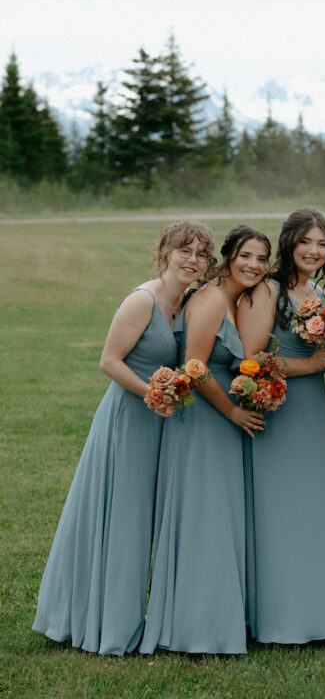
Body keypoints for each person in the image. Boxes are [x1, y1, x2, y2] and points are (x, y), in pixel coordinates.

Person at [33, 221, 214, 655]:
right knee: (121, 518)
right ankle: (108, 623)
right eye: (184, 251)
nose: (192, 260)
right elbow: (109, 361)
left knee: (142, 518)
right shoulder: (143, 300)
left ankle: (130, 613)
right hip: (128, 419)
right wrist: (153, 393)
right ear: (165, 253)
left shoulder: (187, 302)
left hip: (159, 420)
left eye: (202, 255)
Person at [141, 225, 268, 655]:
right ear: (229, 257)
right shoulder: (213, 298)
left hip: (218, 426)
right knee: (201, 519)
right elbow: (194, 366)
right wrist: (233, 410)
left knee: (218, 520)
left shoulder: (232, 298)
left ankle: (217, 620)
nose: (253, 265)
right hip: (201, 424)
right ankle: (193, 628)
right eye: (246, 256)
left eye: (262, 258)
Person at [236, 208, 325, 644]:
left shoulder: (316, 290)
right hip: (283, 408)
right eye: (306, 241)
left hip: (314, 407)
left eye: (322, 243)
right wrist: (309, 365)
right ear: (289, 242)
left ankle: (323, 615)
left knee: (317, 504)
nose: (314, 250)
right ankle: (281, 618)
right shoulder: (267, 290)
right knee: (283, 509)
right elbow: (248, 358)